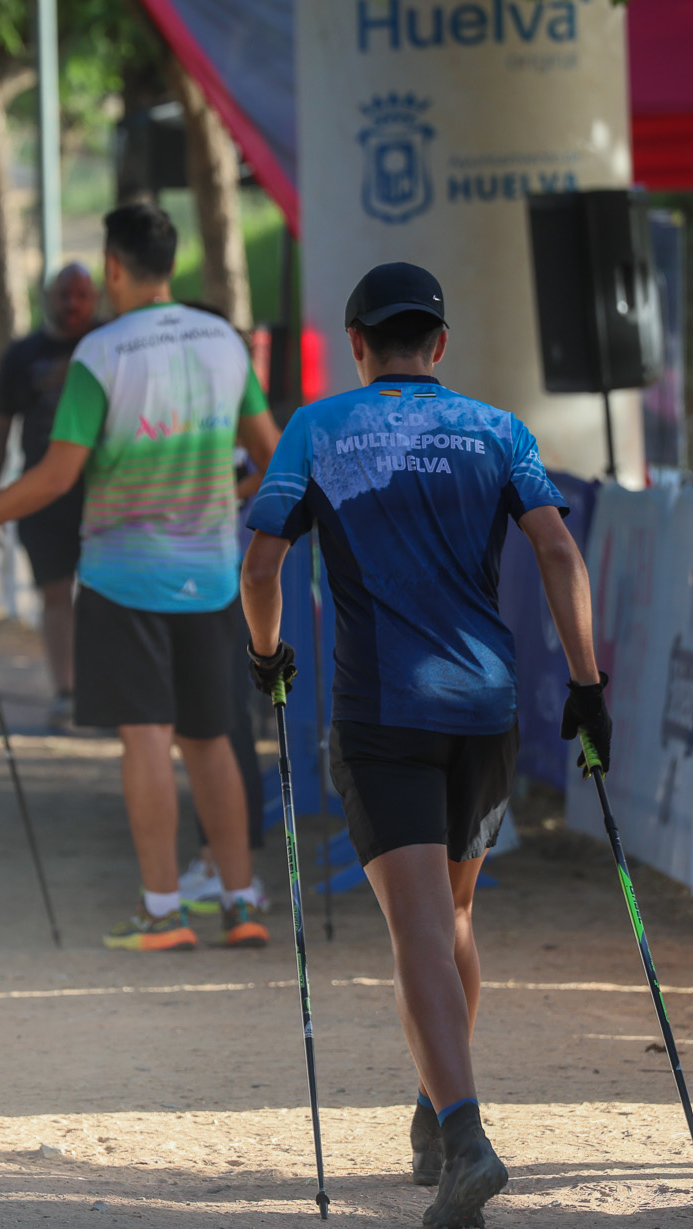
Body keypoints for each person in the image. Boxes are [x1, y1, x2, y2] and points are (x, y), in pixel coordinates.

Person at [239, 261, 609, 1228]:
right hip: (485, 709)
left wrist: (267, 657)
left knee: (416, 932)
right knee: (453, 916)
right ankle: (437, 1111)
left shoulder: (318, 428)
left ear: (357, 344)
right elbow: (559, 550)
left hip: (384, 714)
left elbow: (263, 564)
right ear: (439, 344)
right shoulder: (499, 430)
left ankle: (466, 1136)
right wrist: (587, 687)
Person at [0, 203, 278, 951]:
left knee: (146, 736)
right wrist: (231, 493)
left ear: (114, 267)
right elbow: (271, 453)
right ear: (171, 263)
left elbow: (58, 475)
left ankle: (162, 911)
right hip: (211, 573)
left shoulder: (102, 353)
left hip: (126, 578)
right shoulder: (223, 341)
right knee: (212, 737)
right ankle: (240, 901)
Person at [0, 262, 101, 732]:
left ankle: (101, 692)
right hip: (41, 495)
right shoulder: (21, 356)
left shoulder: (109, 346)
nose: (73, 304)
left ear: (95, 299)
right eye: (64, 294)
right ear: (47, 297)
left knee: (101, 596)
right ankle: (66, 692)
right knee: (54, 593)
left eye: (82, 295)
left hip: (104, 494)